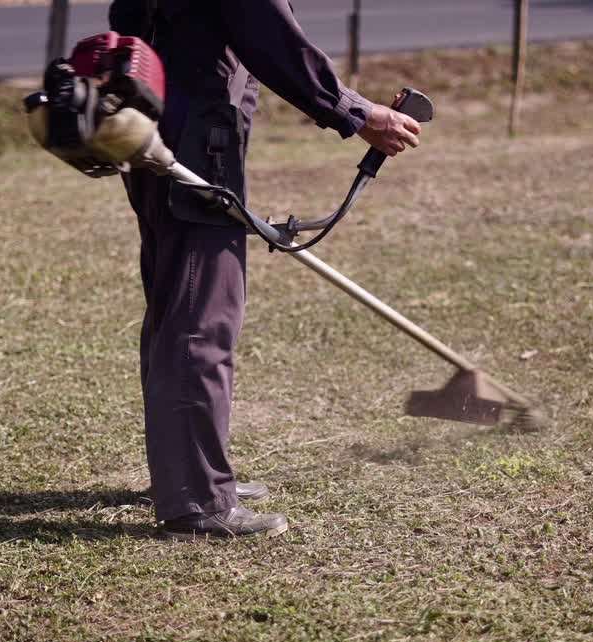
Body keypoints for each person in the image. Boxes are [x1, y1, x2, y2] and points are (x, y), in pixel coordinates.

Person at [107, 0, 421, 539]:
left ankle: (187, 473)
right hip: (194, 138)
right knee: (200, 317)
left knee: (174, 304)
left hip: (154, 124)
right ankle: (196, 499)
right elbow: (268, 35)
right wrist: (358, 112)